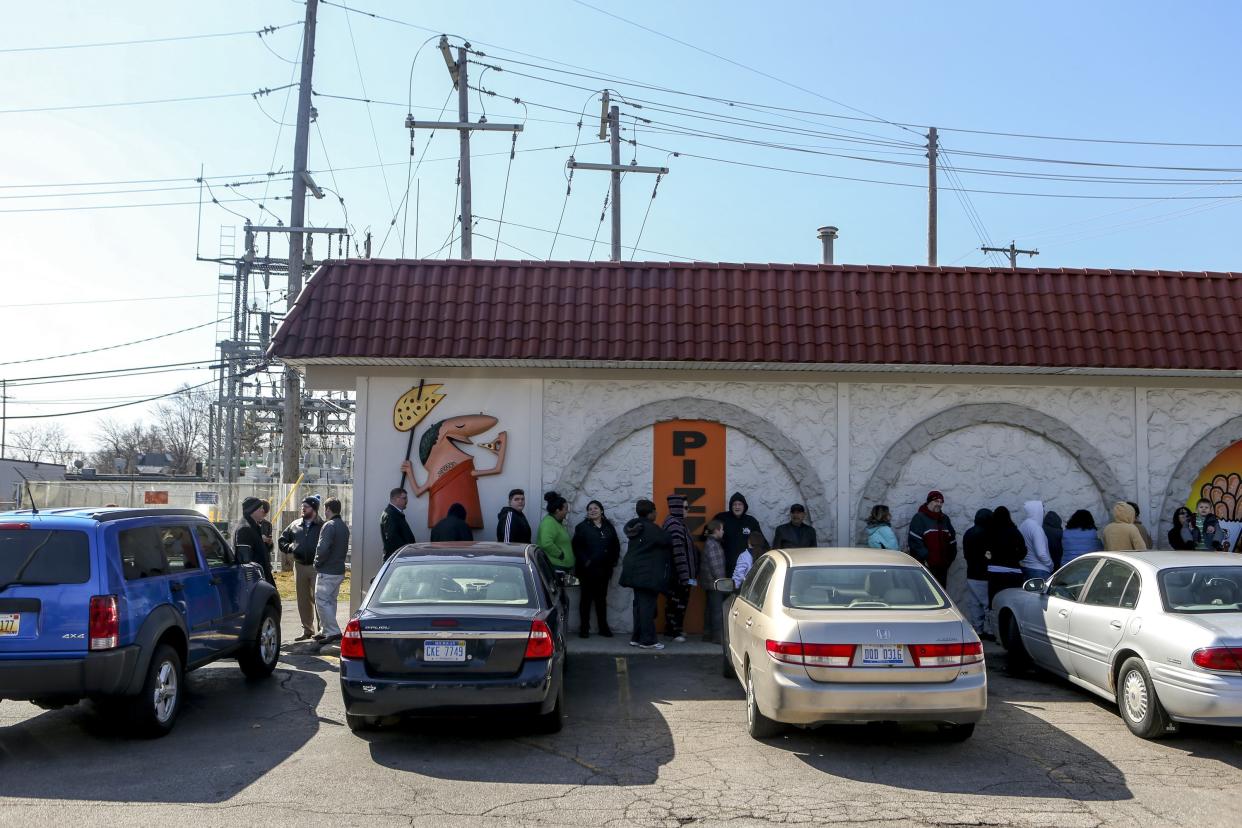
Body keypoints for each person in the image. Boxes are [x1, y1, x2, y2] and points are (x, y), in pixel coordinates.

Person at [619, 499, 672, 650]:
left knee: (639, 606)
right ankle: (648, 640)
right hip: (646, 574)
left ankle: (637, 637)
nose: (656, 513)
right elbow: (667, 539)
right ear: (650, 513)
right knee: (647, 607)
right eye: (655, 511)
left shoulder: (634, 527)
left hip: (634, 572)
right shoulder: (651, 529)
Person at [571, 499, 620, 638]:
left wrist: (613, 561)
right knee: (585, 599)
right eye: (590, 509)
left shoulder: (608, 526)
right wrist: (586, 562)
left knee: (601, 599)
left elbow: (615, 545)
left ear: (601, 510)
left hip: (604, 570)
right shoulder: (582, 527)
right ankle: (584, 629)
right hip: (587, 571)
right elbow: (577, 547)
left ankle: (603, 628)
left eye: (595, 508)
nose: (592, 511)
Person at [277, 496, 323, 641]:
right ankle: (307, 630)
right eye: (302, 506)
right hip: (300, 566)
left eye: (307, 507)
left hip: (317, 567)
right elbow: (282, 539)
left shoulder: (323, 525)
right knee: (303, 599)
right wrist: (290, 548)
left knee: (319, 599)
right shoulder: (295, 525)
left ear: (314, 509)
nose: (303, 509)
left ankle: (322, 630)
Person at [313, 497, 349, 647]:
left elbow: (322, 548)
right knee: (331, 601)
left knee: (321, 601)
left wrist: (317, 562)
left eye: (325, 509)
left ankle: (333, 631)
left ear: (328, 509)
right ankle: (325, 630)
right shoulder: (343, 526)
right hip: (339, 570)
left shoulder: (329, 525)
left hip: (327, 570)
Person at [663, 494, 698, 643]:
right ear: (677, 508)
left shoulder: (679, 523)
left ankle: (675, 629)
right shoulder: (674, 525)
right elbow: (678, 552)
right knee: (675, 603)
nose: (687, 510)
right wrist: (685, 576)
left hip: (681, 574)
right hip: (677, 575)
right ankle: (672, 632)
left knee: (679, 603)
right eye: (685, 507)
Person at [907, 491, 957, 588]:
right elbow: (915, 542)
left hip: (942, 567)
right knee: (926, 594)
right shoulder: (919, 518)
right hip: (926, 567)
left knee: (941, 594)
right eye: (936, 501)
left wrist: (950, 558)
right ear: (929, 502)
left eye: (941, 502)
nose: (939, 504)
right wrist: (925, 559)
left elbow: (952, 538)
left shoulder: (944, 518)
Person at [712, 492, 762, 575]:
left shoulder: (751, 521)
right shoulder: (721, 518)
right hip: (725, 567)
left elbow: (760, 542)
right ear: (731, 506)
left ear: (744, 506)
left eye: (740, 504)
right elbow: (707, 535)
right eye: (734, 504)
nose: (737, 507)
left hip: (745, 567)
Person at [986, 506, 1028, 604]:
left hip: (994, 572)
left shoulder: (990, 532)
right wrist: (1014, 557)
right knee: (1013, 604)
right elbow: (1023, 551)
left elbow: (985, 551)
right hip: (1013, 572)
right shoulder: (1014, 532)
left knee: (995, 603)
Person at [961, 508, 992, 638]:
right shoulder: (988, 534)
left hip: (971, 573)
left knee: (974, 603)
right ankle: (990, 631)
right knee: (987, 604)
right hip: (984, 574)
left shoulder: (968, 533)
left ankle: (977, 629)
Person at [699, 520, 728, 644]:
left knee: (710, 609)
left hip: (710, 582)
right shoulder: (713, 544)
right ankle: (717, 637)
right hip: (715, 583)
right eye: (721, 529)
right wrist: (723, 583)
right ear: (716, 530)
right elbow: (716, 566)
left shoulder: (711, 543)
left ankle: (707, 634)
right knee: (717, 610)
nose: (723, 531)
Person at [235, 497, 274, 585]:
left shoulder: (254, 526)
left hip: (261, 574)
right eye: (260, 508)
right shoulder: (245, 528)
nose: (262, 511)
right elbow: (245, 559)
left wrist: (269, 544)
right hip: (255, 578)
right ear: (253, 510)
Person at [537, 492, 575, 572]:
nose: (567, 511)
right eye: (565, 509)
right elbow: (546, 543)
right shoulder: (549, 523)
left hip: (561, 567)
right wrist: (560, 554)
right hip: (556, 567)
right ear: (558, 510)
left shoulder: (556, 522)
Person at [1018, 501, 1054, 581]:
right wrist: (1050, 564)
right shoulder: (1036, 528)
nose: (1044, 514)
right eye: (1042, 511)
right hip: (1039, 571)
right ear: (1037, 511)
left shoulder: (1023, 525)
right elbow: (1041, 553)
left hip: (1026, 568)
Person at [380, 487, 416, 561]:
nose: (407, 501)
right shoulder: (390, 515)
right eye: (404, 498)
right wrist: (406, 552)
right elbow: (392, 539)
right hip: (397, 560)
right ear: (396, 499)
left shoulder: (394, 513)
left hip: (399, 558)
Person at [258, 500, 276, 572]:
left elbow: (269, 548)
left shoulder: (267, 525)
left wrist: (270, 542)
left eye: (265, 514)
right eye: (263, 513)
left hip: (265, 559)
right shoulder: (249, 524)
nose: (264, 516)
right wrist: (260, 538)